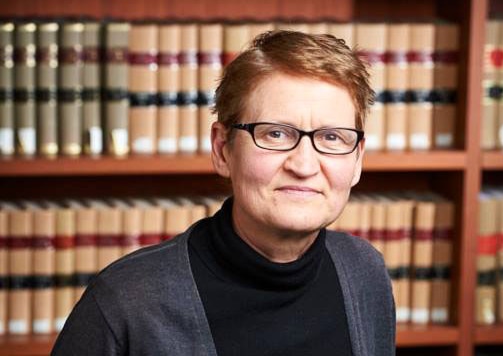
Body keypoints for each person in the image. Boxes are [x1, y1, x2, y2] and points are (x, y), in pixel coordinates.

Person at [52, 30, 395, 356]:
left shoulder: (364, 273)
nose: (304, 165)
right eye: (275, 134)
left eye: (332, 138)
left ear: (357, 160)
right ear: (222, 149)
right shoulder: (127, 302)